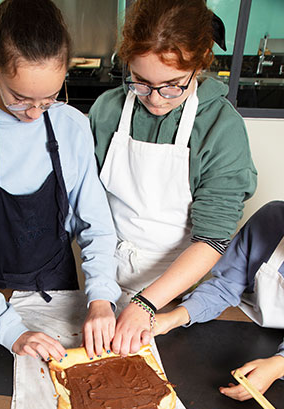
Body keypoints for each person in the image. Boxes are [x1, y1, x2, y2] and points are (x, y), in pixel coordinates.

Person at [0, 0, 120, 362]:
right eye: (20, 99)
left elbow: (97, 225)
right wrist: (10, 331)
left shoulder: (72, 126)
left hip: (61, 291)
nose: (34, 114)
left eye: (49, 99)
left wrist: (100, 297)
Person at [88, 0, 257, 356]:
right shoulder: (107, 111)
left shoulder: (220, 130)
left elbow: (211, 240)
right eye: (141, 83)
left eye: (172, 86)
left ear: (201, 60)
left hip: (178, 292)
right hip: (103, 276)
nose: (156, 99)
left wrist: (148, 305)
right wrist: (99, 292)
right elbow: (89, 210)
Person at [153, 201, 284, 401]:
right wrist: (170, 320)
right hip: (244, 330)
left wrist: (278, 366)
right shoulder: (271, 219)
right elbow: (224, 287)